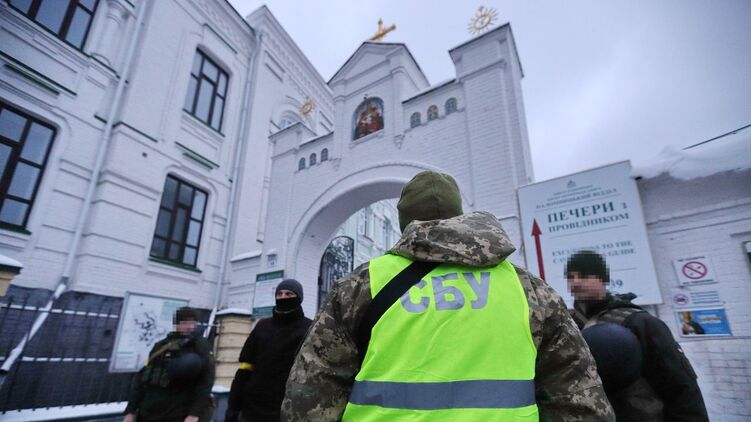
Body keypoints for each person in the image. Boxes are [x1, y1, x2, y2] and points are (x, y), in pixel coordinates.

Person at [281, 171, 614, 421]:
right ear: (458, 215)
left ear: (404, 222)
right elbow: (578, 395)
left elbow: (311, 392)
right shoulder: (529, 290)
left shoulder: (360, 286)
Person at [566, 250, 709, 421]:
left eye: (583, 276)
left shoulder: (640, 323)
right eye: (570, 277)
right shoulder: (569, 325)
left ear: (602, 278)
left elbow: (680, 388)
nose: (575, 282)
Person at [225, 279, 312, 422]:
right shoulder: (262, 326)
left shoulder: (309, 328)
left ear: (299, 298)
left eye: (289, 294)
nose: (283, 297)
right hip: (252, 408)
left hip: (286, 409)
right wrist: (233, 407)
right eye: (279, 294)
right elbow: (245, 368)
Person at [124, 307, 214, 422]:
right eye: (185, 322)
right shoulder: (160, 346)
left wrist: (194, 413)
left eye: (193, 323)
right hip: (148, 412)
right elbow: (142, 377)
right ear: (176, 324)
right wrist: (130, 410)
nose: (190, 327)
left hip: (178, 413)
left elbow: (206, 380)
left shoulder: (199, 346)